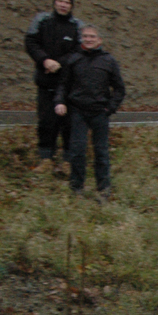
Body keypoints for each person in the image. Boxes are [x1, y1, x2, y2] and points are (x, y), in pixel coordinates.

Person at [53, 25, 124, 198]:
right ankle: (76, 188)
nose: (89, 39)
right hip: (78, 112)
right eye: (85, 36)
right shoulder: (74, 59)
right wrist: (60, 101)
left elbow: (120, 89)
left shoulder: (108, 61)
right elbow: (63, 84)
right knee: (77, 151)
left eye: (92, 36)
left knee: (101, 152)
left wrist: (110, 108)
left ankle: (103, 189)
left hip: (100, 112)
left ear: (99, 40)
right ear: (81, 39)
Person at [24, 0, 81, 173]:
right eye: (60, 1)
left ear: (72, 6)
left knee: (68, 123)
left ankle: (67, 161)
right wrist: (44, 60)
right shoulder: (42, 20)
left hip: (68, 84)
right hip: (45, 81)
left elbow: (79, 51)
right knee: (46, 122)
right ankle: (46, 158)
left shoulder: (77, 26)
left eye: (67, 2)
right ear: (54, 2)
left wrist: (58, 64)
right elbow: (30, 42)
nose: (63, 5)